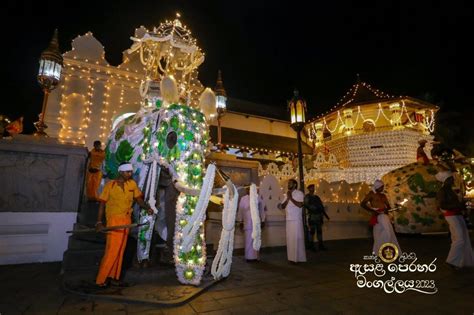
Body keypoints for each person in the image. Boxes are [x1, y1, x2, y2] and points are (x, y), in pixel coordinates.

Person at [95, 162, 153, 287]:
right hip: (113, 220)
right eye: (128, 172)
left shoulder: (132, 184)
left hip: (126, 220)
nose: (130, 174)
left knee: (120, 250)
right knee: (112, 250)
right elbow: (102, 204)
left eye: (131, 171)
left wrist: (147, 207)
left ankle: (114, 277)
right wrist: (99, 222)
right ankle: (101, 279)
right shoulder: (110, 185)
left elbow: (139, 200)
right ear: (121, 172)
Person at [435, 171, 474, 269]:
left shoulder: (449, 190)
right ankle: (451, 260)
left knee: (460, 237)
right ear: (447, 180)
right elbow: (442, 205)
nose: (453, 180)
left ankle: (460, 261)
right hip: (452, 216)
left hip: (456, 215)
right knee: (460, 238)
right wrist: (458, 205)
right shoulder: (442, 191)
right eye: (451, 178)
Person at [360, 179, 401, 255]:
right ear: (378, 187)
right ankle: (378, 252)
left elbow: (388, 206)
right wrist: (372, 211)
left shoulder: (383, 195)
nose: (383, 188)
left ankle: (388, 250)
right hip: (377, 216)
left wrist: (393, 208)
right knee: (378, 234)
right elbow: (362, 204)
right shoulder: (371, 194)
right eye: (382, 187)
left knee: (389, 232)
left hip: (384, 216)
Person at [279, 179, 306, 263]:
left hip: (296, 220)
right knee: (290, 239)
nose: (288, 184)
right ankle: (291, 258)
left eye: (290, 183)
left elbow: (300, 205)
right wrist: (287, 198)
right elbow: (282, 206)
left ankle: (299, 258)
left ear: (294, 185)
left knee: (297, 239)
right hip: (288, 220)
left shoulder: (299, 193)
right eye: (288, 183)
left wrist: (291, 198)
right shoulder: (287, 194)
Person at [237, 187, 266, 262]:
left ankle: (256, 257)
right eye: (247, 189)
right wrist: (240, 221)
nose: (248, 190)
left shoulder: (257, 197)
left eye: (249, 189)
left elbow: (262, 209)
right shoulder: (243, 199)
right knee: (248, 240)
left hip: (256, 224)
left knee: (256, 240)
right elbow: (240, 210)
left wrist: (263, 220)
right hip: (247, 223)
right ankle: (249, 257)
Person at [304, 184, 330, 251]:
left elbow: (321, 206)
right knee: (312, 232)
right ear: (309, 189)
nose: (313, 189)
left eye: (313, 188)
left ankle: (320, 245)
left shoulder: (317, 197)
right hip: (312, 216)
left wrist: (322, 211)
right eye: (311, 188)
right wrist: (313, 208)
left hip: (318, 216)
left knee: (319, 231)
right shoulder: (307, 197)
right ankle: (311, 246)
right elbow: (306, 204)